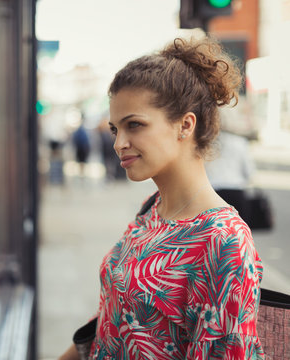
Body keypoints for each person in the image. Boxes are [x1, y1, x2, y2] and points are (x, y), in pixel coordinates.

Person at [60, 37, 264, 359]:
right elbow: (115, 315)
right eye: (115, 129)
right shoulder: (154, 208)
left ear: (185, 125)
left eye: (135, 125)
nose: (119, 143)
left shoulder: (224, 241)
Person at [206, 128, 256, 225]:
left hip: (214, 192)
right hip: (236, 192)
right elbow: (249, 172)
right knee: (239, 232)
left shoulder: (207, 142)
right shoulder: (240, 143)